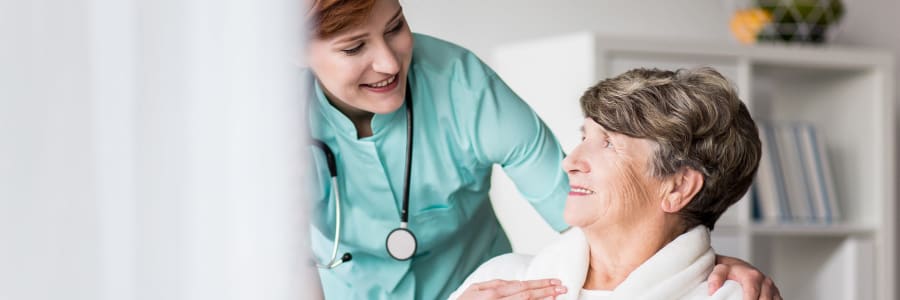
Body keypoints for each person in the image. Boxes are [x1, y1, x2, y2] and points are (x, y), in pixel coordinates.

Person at [303, 0, 781, 299]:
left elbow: (580, 203)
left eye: (396, 26)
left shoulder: (460, 86)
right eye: (352, 48)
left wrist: (698, 258)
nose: (388, 61)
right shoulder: (259, 122)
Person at [450, 67, 775, 300]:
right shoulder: (498, 282)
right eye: (584, 136)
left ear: (677, 187)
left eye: (607, 143)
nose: (570, 162)